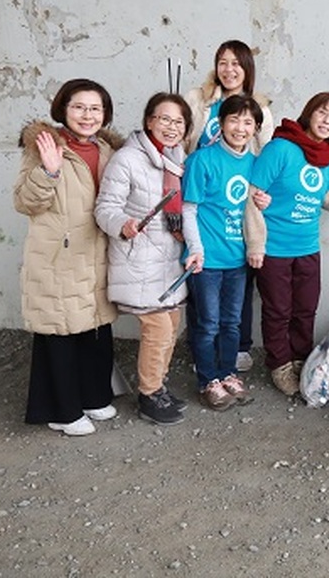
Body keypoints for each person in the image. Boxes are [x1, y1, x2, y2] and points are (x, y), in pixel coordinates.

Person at [245, 92, 329, 396]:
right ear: (309, 112)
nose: (327, 121)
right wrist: (255, 245)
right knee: (278, 310)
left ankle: (302, 361)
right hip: (274, 249)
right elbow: (251, 198)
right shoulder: (280, 148)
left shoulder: (327, 157)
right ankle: (280, 365)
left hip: (307, 248)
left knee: (305, 310)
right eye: (323, 112)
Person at [14, 78, 123, 436]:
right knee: (60, 331)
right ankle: (62, 410)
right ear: (63, 108)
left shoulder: (108, 151)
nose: (87, 115)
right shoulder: (46, 146)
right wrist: (49, 170)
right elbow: (25, 202)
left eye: (95, 109)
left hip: (96, 252)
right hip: (57, 258)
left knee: (94, 328)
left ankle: (93, 396)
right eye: (79, 107)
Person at [95, 93, 194, 426]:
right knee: (158, 329)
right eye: (164, 119)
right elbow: (105, 208)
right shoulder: (128, 159)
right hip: (139, 258)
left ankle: (159, 387)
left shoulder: (177, 158)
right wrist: (123, 224)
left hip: (168, 258)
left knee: (173, 326)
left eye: (178, 121)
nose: (170, 127)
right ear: (149, 120)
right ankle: (149, 395)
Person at [185, 39, 275, 374]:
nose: (229, 69)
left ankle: (235, 349)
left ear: (247, 68)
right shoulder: (198, 100)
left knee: (238, 285)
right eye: (223, 62)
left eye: (236, 63)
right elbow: (183, 139)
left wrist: (263, 194)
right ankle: (204, 355)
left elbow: (265, 159)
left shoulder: (260, 109)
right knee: (202, 288)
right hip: (205, 195)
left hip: (240, 206)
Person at [182, 94, 263, 410]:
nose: (240, 128)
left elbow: (258, 206)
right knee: (208, 324)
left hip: (238, 259)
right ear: (221, 123)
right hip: (207, 260)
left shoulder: (255, 164)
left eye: (248, 122)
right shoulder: (202, 160)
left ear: (255, 128)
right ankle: (208, 380)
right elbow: (189, 209)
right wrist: (196, 249)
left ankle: (228, 373)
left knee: (232, 323)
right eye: (234, 120)